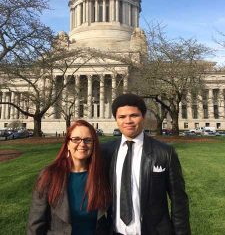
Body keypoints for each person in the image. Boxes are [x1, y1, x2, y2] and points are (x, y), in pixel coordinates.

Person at [102, 93, 191, 235]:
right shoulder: (106, 152)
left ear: (143, 116)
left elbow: (178, 200)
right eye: (122, 117)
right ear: (116, 120)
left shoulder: (164, 153)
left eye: (134, 115)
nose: (128, 121)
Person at [27, 119, 111, 235]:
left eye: (88, 140)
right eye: (76, 139)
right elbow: (35, 225)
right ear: (67, 144)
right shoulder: (49, 176)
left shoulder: (101, 175)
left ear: (94, 145)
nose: (82, 144)